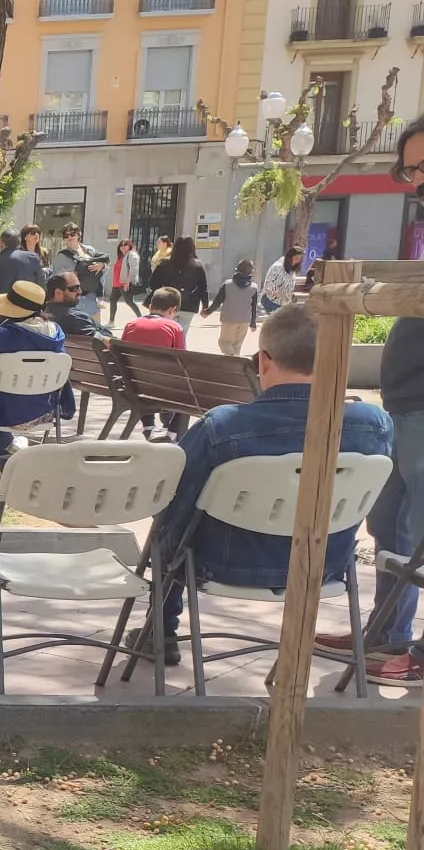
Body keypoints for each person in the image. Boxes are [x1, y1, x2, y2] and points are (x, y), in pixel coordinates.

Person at [132, 304, 392, 667]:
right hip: (325, 563)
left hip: (221, 563)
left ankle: (161, 631)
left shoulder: (222, 426)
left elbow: (171, 492)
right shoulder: (374, 423)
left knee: (172, 515)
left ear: (263, 361)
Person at [316, 118, 424, 686]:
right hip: (405, 402)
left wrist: (363, 295)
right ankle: (387, 633)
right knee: (392, 528)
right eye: (411, 169)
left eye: (422, 166)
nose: (416, 181)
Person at [0, 280, 69, 465]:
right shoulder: (56, 334)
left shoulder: (3, 336)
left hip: (1, 413)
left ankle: (11, 445)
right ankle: (12, 456)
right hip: (44, 409)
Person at [122, 287, 189, 438]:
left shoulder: (131, 325)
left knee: (145, 376)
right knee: (186, 389)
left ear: (150, 307)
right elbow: (182, 359)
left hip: (134, 385)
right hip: (163, 388)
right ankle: (173, 432)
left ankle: (149, 426)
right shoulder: (174, 327)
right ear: (172, 310)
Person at [149, 235, 209, 334]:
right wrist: (205, 307)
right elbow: (203, 288)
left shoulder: (164, 263)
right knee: (181, 335)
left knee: (165, 333)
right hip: (189, 305)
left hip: (166, 304)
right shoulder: (198, 265)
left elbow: (152, 283)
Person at [0, 227, 44, 318]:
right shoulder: (33, 258)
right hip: (26, 314)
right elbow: (40, 286)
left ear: (2, 243)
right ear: (19, 242)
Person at [205, 258, 261, 357]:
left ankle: (232, 358)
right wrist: (253, 323)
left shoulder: (227, 285)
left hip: (229, 319)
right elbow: (254, 306)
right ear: (251, 272)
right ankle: (235, 364)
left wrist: (207, 312)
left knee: (224, 343)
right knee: (237, 345)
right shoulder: (254, 287)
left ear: (237, 269)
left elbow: (217, 302)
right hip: (245, 320)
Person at [56, 223, 107, 309]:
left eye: (72, 234)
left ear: (78, 234)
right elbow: (56, 277)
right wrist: (68, 275)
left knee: (94, 322)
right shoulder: (62, 256)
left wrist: (102, 266)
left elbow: (104, 271)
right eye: (66, 236)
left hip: (92, 297)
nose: (69, 238)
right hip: (74, 299)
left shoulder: (90, 250)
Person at [261, 244, 304, 315]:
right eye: (296, 258)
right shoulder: (277, 268)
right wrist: (284, 297)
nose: (298, 261)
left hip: (284, 304)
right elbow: (270, 286)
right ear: (290, 257)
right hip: (271, 301)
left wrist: (290, 297)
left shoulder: (292, 270)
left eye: (300, 259)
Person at [108, 238, 142, 326]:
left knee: (129, 302)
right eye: (121, 245)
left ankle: (141, 319)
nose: (123, 247)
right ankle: (111, 322)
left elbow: (134, 269)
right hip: (117, 284)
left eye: (125, 245)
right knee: (112, 300)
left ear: (129, 246)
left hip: (124, 283)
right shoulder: (122, 257)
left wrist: (127, 281)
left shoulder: (131, 254)